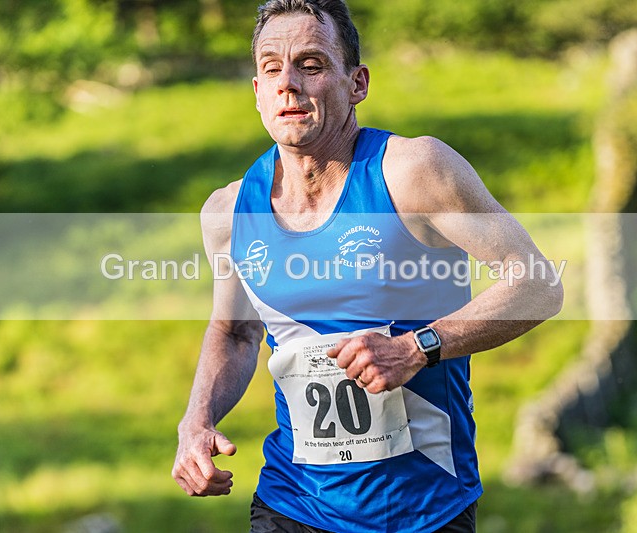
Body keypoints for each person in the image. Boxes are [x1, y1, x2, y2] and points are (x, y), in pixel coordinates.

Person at [172, 1, 564, 531]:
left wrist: (416, 349)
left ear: (357, 83)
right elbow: (235, 332)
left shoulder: (415, 173)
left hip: (423, 508)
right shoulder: (228, 211)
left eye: (311, 65)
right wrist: (196, 422)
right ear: (258, 92)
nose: (288, 84)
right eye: (272, 69)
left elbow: (539, 285)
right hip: (293, 501)